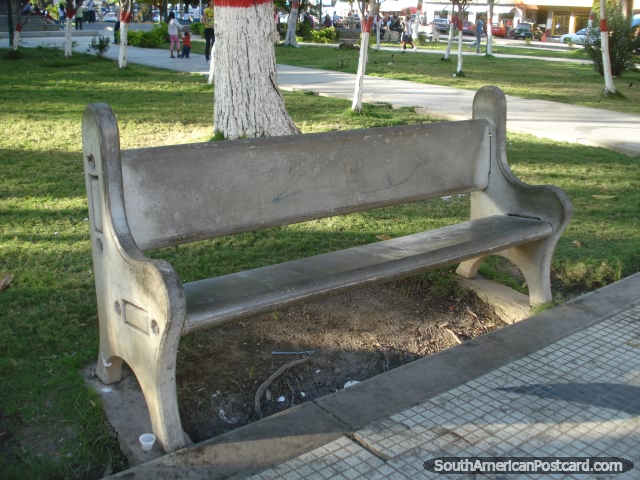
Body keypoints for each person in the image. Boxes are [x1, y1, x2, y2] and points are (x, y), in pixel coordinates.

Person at [202, 0, 215, 64]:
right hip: (208, 29)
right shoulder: (206, 10)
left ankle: (213, 57)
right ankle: (207, 58)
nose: (213, 2)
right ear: (209, 2)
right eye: (212, 1)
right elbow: (203, 21)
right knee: (208, 44)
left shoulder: (215, 9)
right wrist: (210, 25)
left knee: (214, 43)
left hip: (214, 29)